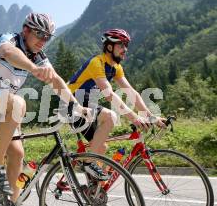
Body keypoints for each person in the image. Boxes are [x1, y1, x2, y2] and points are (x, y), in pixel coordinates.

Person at [0, 13, 90, 206]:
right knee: (19, 103)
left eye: (47, 37)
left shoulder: (38, 54)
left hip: (2, 106)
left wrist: (76, 105)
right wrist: (33, 68)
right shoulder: (9, 39)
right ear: (26, 30)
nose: (42, 40)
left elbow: (56, 80)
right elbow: (8, 53)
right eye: (39, 34)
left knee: (18, 154)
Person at [67, 28, 166, 180]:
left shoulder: (115, 68)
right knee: (110, 116)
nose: (125, 49)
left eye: (126, 45)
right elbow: (109, 95)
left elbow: (132, 93)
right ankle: (87, 163)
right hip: (72, 104)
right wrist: (133, 117)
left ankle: (93, 191)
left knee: (101, 147)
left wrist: (152, 117)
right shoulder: (97, 63)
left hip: (89, 105)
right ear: (109, 47)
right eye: (121, 45)